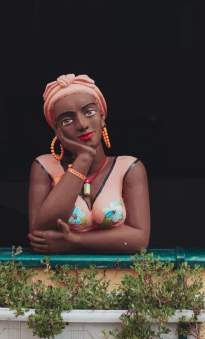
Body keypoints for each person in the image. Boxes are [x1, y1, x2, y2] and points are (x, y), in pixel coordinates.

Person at [28, 74, 150, 254]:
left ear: (102, 117)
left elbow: (138, 239)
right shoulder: (44, 167)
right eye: (67, 120)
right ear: (57, 130)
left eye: (89, 112)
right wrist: (84, 158)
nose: (82, 124)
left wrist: (74, 241)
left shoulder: (128, 168)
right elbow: (41, 235)